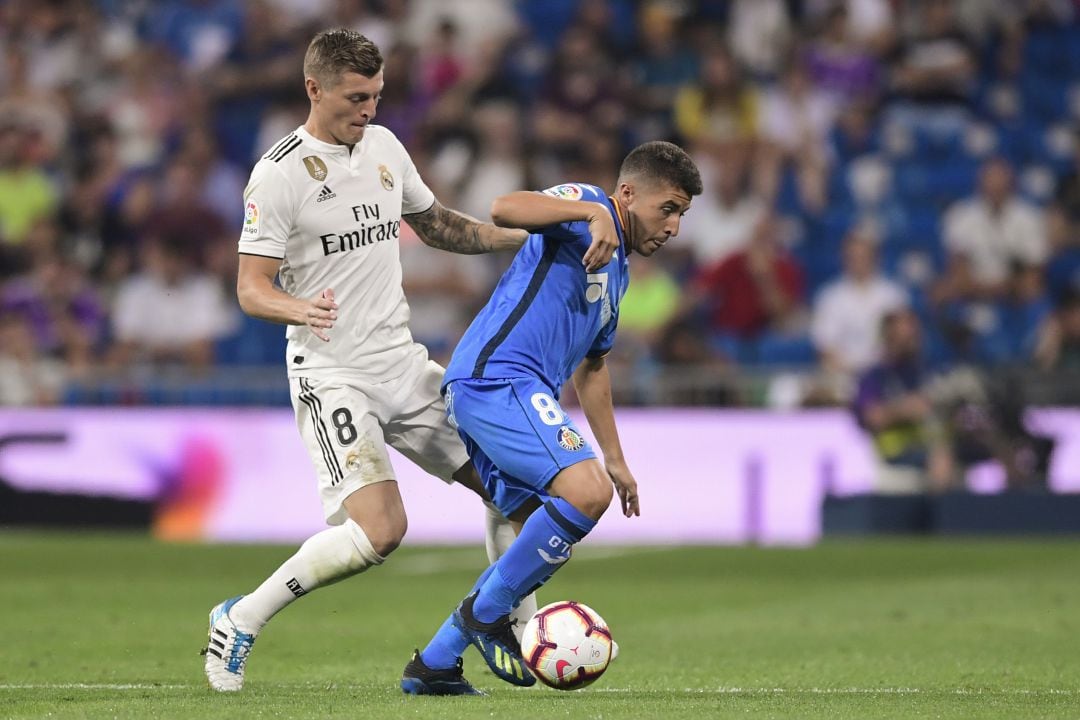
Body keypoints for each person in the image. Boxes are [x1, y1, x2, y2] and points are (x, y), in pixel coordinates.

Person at [202, 28, 621, 693]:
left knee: (514, 486)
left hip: (403, 363)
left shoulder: (385, 148)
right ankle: (241, 616)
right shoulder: (279, 173)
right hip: (332, 373)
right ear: (315, 89)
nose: (368, 110)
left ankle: (511, 625)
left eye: (377, 96)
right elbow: (251, 287)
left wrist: (521, 238)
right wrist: (297, 308)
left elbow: (436, 224)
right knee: (382, 531)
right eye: (356, 97)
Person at [399, 141, 702, 695]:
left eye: (682, 214)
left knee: (543, 516)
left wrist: (616, 458)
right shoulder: (588, 206)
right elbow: (505, 208)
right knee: (585, 494)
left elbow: (592, 367)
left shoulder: (620, 275)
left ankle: (436, 664)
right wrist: (592, 211)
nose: (676, 226)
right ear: (629, 194)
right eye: (669, 208)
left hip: (517, 390)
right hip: (498, 378)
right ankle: (486, 617)